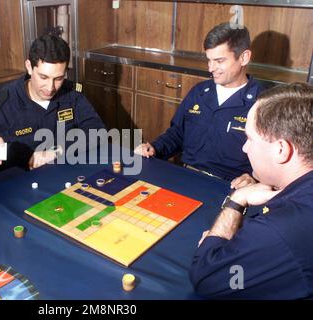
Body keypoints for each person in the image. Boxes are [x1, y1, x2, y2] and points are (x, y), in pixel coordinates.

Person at [190, 82, 313, 299]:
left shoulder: (278, 229)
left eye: (249, 138)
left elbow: (206, 277)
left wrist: (236, 201)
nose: (244, 148)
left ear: (281, 150)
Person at [134, 23, 264, 182]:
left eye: (219, 61)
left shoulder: (263, 103)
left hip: (230, 185)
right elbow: (177, 133)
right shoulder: (200, 92)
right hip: (187, 176)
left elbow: (272, 159)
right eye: (209, 60)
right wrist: (154, 148)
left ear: (244, 57)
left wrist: (253, 178)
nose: (211, 68)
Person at [0, 34, 105, 182]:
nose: (51, 87)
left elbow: (98, 132)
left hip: (66, 176)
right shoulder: (4, 102)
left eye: (58, 78)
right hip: (18, 185)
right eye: (43, 77)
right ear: (29, 67)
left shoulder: (71, 94)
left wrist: (56, 151)